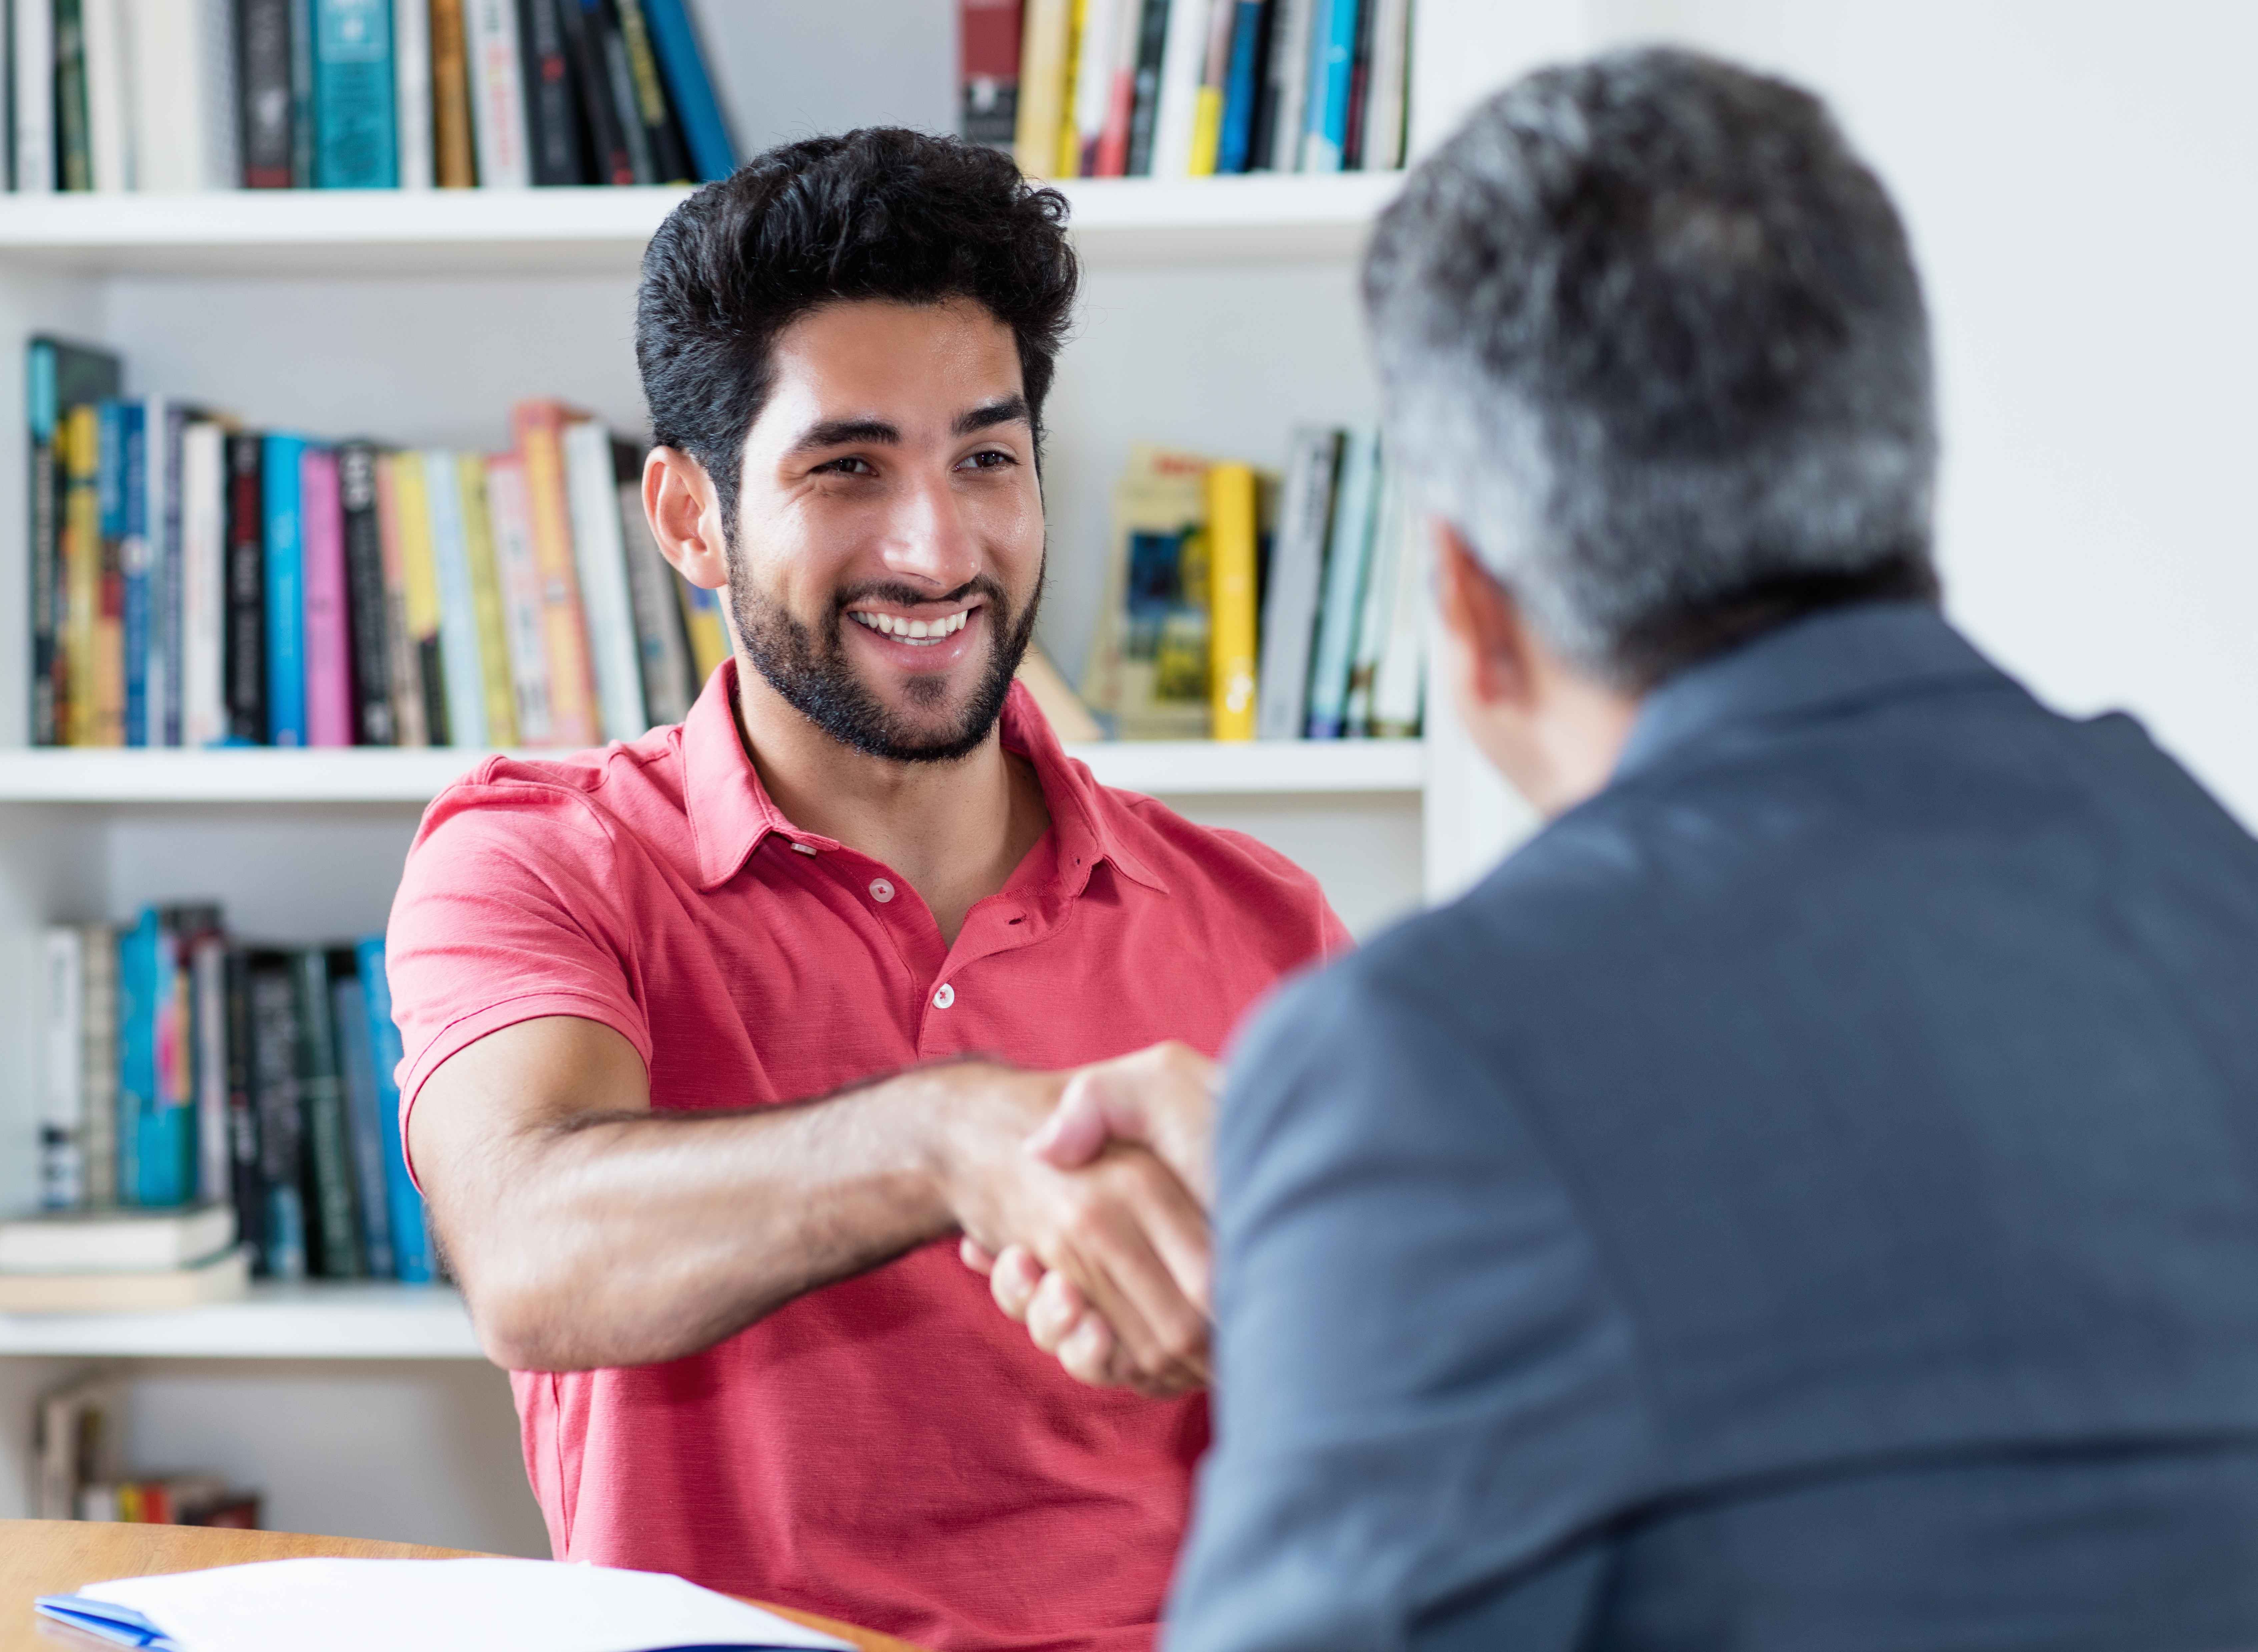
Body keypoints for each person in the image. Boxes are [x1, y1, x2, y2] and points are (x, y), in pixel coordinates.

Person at [999, 47, 2258, 1651]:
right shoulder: (2215, 891)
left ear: (1468, 603)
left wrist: (1371, 1220)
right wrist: (1344, 1276)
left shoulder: (1429, 1062)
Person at [383, 127, 1345, 1652]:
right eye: (848, 468)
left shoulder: (1264, 924)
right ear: (690, 518)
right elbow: (524, 1253)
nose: (936, 547)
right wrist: (951, 1137)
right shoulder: (540, 860)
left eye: (987, 459)